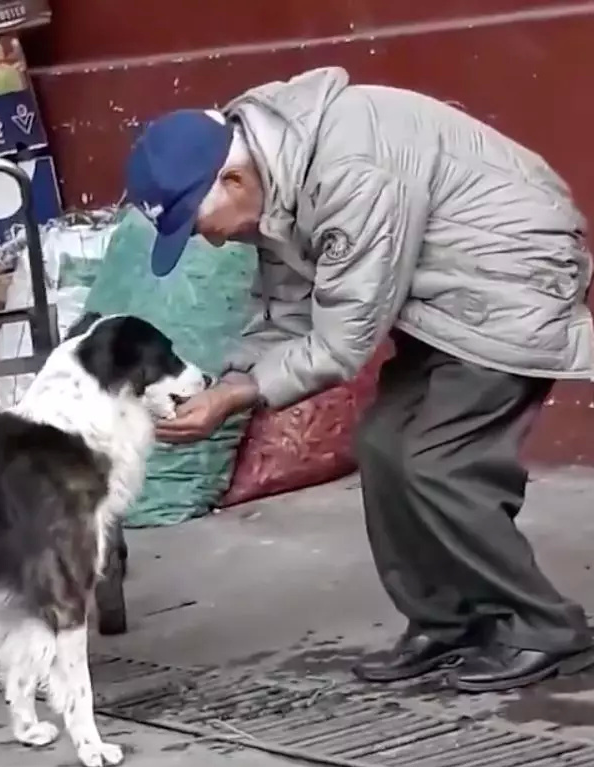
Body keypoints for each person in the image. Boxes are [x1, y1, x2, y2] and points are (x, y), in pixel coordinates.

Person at [124, 66, 594, 693]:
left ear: (233, 178)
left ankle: (548, 630)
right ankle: (448, 620)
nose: (208, 242)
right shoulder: (276, 178)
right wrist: (227, 379)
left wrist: (238, 396)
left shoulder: (350, 173)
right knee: (381, 444)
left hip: (509, 280)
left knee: (438, 461)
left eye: (199, 224)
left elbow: (344, 339)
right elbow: (289, 311)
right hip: (441, 295)